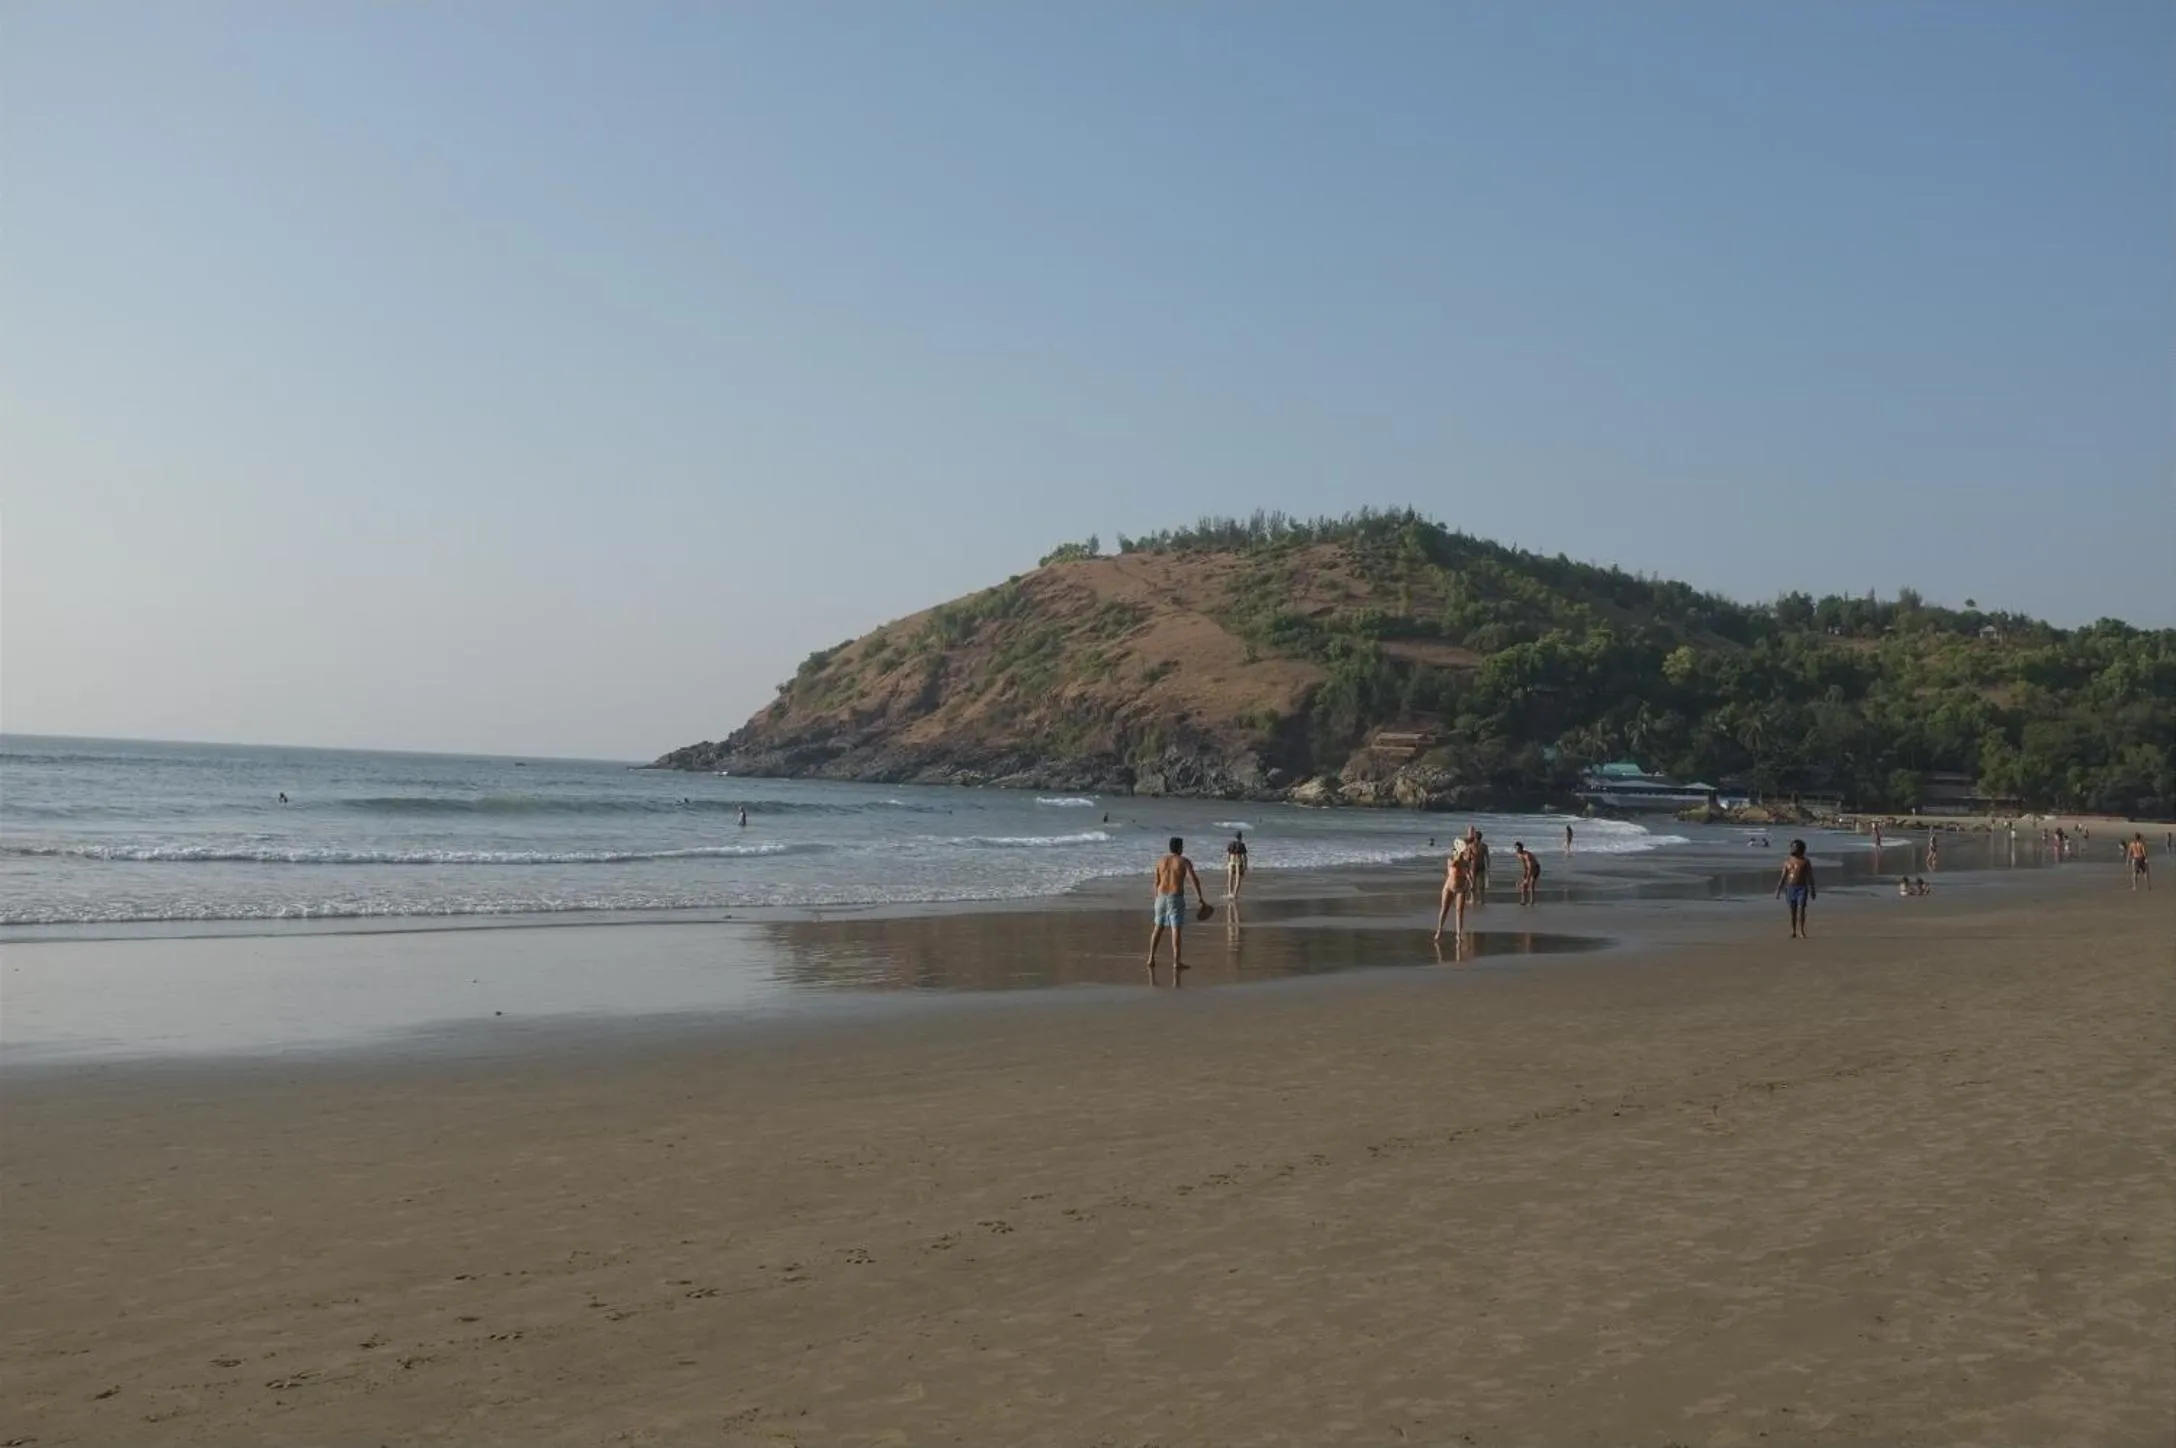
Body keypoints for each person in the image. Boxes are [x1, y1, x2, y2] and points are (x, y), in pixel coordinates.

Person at [1144, 837, 1206, 981]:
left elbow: (1156, 882)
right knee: (1175, 929)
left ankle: (1150, 958)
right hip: (1175, 897)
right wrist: (1200, 897)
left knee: (1157, 928)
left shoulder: (1160, 861)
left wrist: (1156, 899)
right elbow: (1193, 879)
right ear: (1179, 847)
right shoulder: (1184, 861)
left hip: (1160, 897)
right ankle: (1176, 962)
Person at [1775, 839, 1816, 938]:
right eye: (1792, 847)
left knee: (1801, 908)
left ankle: (1801, 930)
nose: (1793, 849)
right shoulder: (1787, 862)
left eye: (1796, 847)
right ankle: (1793, 930)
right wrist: (1778, 890)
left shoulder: (1805, 861)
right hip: (1790, 887)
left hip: (1802, 887)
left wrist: (1812, 890)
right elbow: (1783, 877)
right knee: (1792, 910)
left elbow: (1810, 876)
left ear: (1800, 849)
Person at [1434, 844, 1474, 941]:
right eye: (1455, 851)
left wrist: (1471, 883)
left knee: (1459, 912)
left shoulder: (1466, 862)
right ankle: (1439, 930)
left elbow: (1467, 873)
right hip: (1449, 888)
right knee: (1444, 909)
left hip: (1461, 888)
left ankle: (1458, 934)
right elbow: (1453, 864)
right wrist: (1458, 855)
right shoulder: (1451, 859)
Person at [1224, 831, 1249, 901]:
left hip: (1231, 862)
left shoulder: (1230, 844)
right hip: (1239, 862)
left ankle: (1229, 893)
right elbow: (1244, 856)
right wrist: (1246, 865)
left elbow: (1227, 855)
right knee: (1238, 879)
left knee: (1230, 878)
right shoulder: (1242, 844)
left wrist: (1227, 863)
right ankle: (1235, 894)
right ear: (1241, 837)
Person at [1513, 841, 1540, 905]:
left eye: (1518, 848)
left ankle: (1532, 901)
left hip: (1535, 868)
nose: (1517, 850)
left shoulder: (1527, 855)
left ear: (1521, 848)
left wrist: (1527, 878)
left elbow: (1530, 866)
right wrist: (1524, 875)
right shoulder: (1518, 855)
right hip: (1528, 868)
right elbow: (1524, 865)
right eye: (1516, 848)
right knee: (1524, 885)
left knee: (1531, 884)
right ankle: (1523, 900)